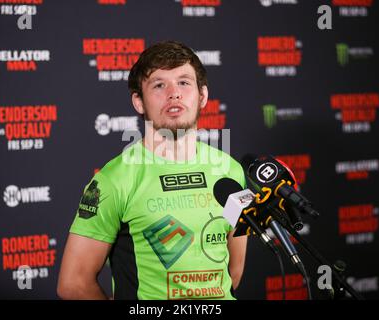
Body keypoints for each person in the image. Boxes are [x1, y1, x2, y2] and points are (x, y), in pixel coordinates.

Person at [57, 41, 248, 300]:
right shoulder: (114, 179)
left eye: (184, 82)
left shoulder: (231, 171)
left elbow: (233, 272)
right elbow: (74, 284)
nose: (174, 94)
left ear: (202, 95)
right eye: (159, 85)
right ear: (139, 101)